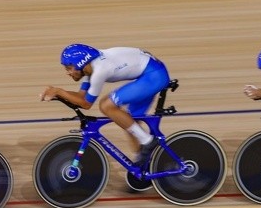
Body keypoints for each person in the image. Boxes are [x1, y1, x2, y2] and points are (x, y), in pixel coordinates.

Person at [39, 44, 171, 166]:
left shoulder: (99, 71)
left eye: (69, 68)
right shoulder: (90, 68)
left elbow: (86, 104)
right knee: (129, 122)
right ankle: (143, 167)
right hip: (151, 73)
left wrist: (59, 91)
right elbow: (81, 96)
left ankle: (148, 141)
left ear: (80, 64)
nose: (67, 72)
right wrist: (60, 94)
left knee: (106, 105)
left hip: (153, 75)